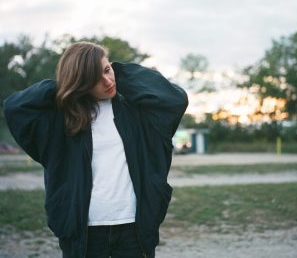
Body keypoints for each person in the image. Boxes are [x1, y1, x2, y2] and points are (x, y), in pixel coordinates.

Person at [3, 41, 188, 258]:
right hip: (83, 231)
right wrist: (65, 85)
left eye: (108, 69)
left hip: (134, 228)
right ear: (81, 83)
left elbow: (175, 99)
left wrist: (121, 72)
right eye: (94, 79)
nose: (108, 81)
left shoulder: (137, 112)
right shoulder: (62, 120)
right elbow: (15, 107)